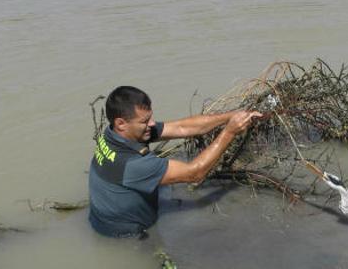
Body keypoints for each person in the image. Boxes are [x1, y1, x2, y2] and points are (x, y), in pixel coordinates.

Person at [88, 85, 262, 238]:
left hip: (105, 214)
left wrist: (232, 116)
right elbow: (194, 173)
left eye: (150, 117)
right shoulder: (132, 164)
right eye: (144, 121)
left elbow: (182, 127)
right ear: (121, 123)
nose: (152, 123)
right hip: (125, 232)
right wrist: (230, 132)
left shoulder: (114, 133)